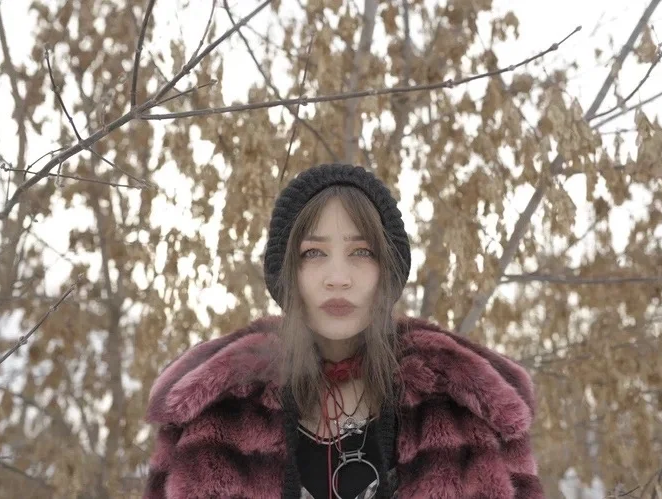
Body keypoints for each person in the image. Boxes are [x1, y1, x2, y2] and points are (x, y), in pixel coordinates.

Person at [143, 163, 543, 499]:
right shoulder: (217, 413)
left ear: (387, 269)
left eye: (361, 252)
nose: (338, 277)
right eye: (314, 253)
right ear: (288, 272)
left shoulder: (465, 408)